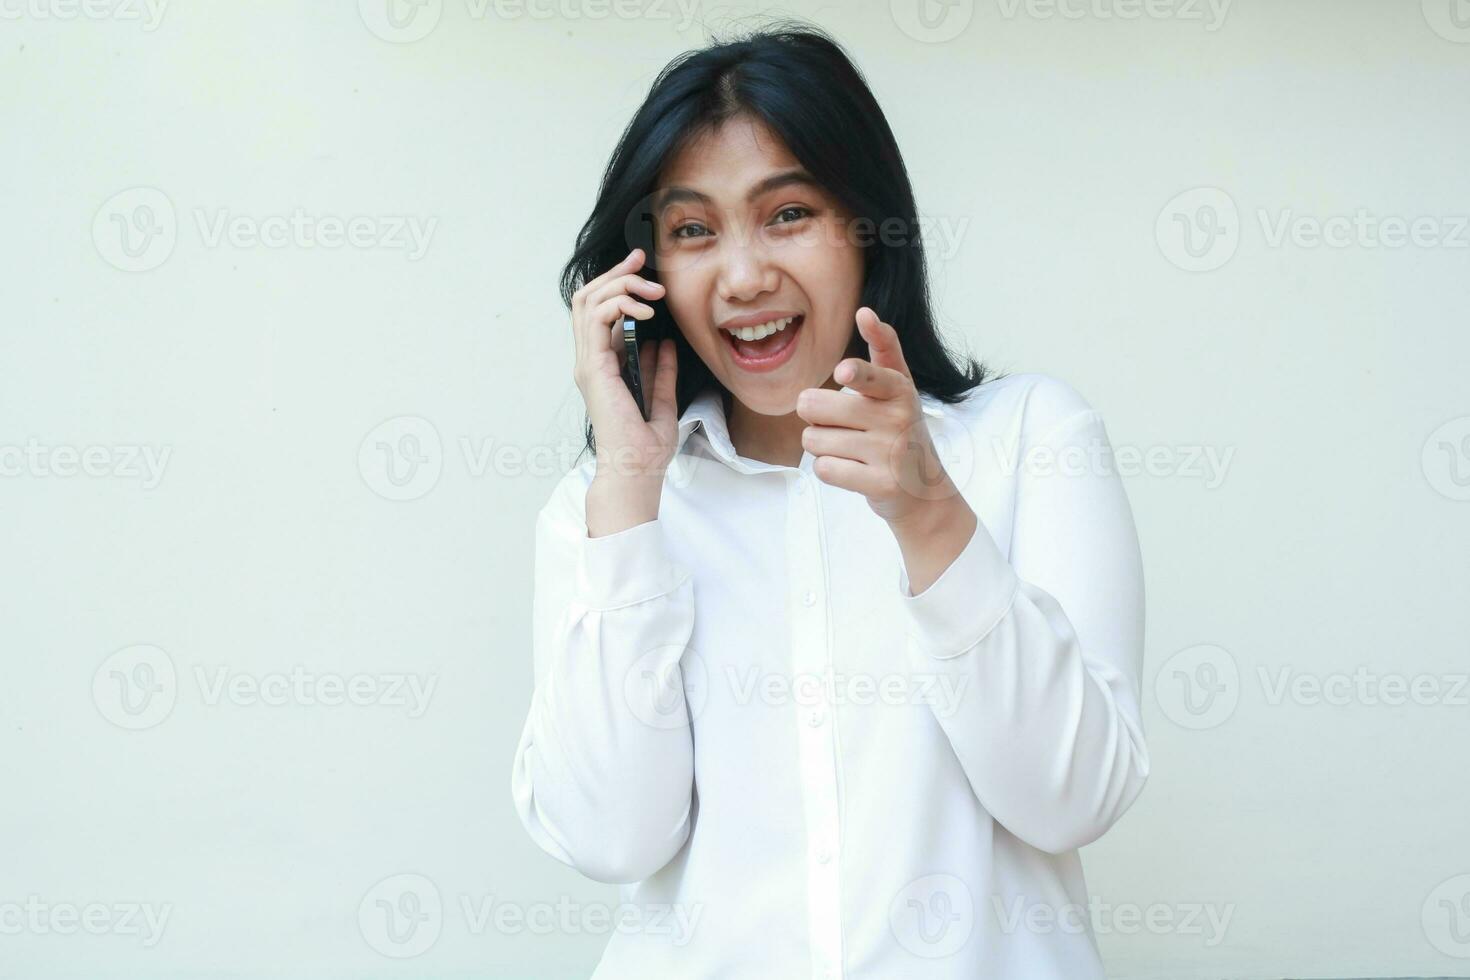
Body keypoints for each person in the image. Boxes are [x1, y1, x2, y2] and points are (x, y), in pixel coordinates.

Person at [510, 20, 1149, 979]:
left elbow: (1073, 798)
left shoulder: (1030, 442)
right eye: (692, 230)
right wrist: (629, 493)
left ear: (867, 226)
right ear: (646, 276)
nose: (743, 276)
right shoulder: (604, 510)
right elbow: (612, 838)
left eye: (788, 214)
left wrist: (931, 515)